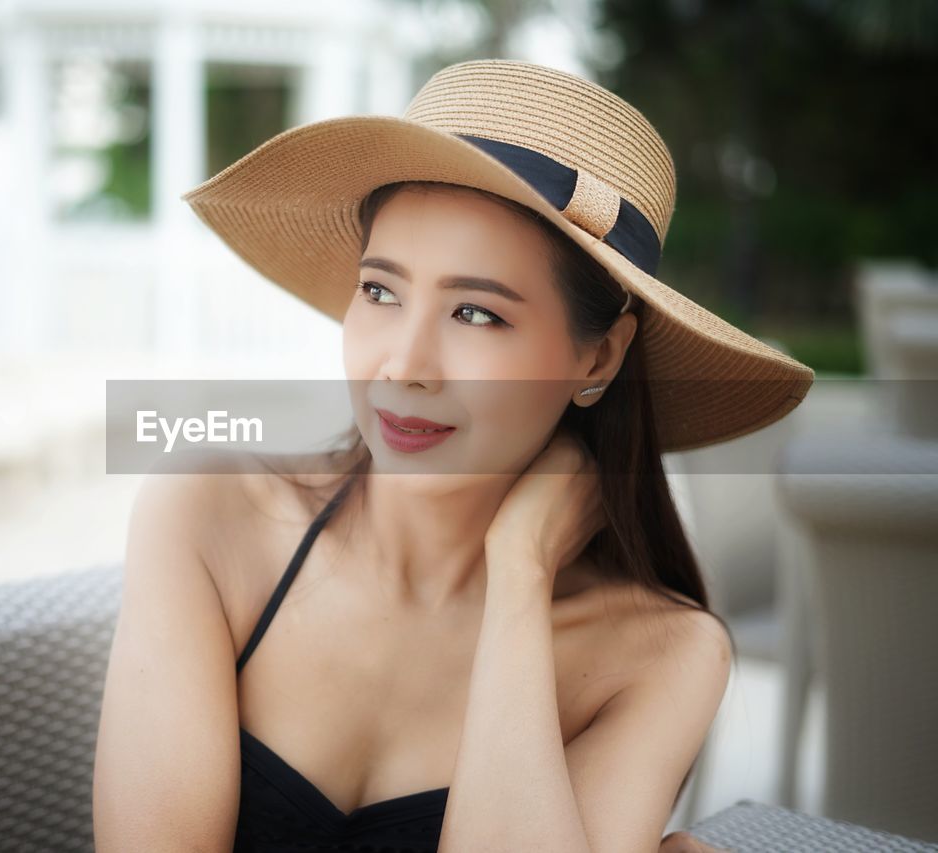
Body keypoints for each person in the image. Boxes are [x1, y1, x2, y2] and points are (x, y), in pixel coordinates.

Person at [93, 59, 813, 852]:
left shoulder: (661, 654)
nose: (404, 364)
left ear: (597, 359)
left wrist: (519, 571)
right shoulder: (211, 515)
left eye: (475, 312)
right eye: (380, 292)